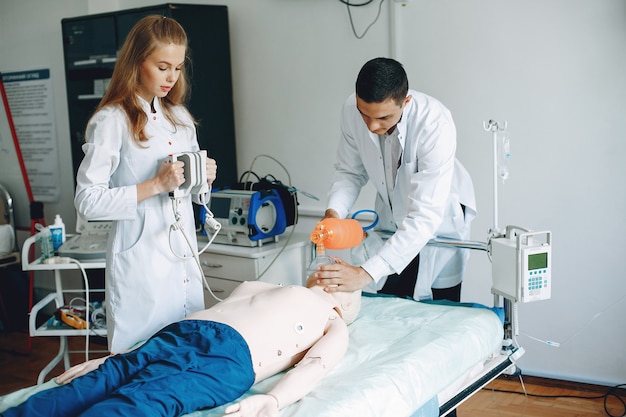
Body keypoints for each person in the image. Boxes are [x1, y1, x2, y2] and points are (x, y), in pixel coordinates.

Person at [1, 281, 361, 417]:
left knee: (140, 402)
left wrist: (273, 400)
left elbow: (315, 365)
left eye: (343, 278)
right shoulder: (269, 285)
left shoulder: (333, 320)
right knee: (94, 384)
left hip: (227, 357)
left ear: (347, 303)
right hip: (181, 333)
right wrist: (114, 358)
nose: (332, 272)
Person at [73, 15, 218, 353]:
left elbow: (195, 196)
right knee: (139, 357)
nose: (172, 77)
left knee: (187, 350)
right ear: (137, 63)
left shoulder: (180, 118)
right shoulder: (112, 120)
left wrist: (203, 177)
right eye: (163, 66)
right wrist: (154, 185)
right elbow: (88, 201)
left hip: (182, 255)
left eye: (178, 68)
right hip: (140, 262)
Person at [312, 57, 476, 302]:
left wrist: (364, 273)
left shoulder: (434, 123)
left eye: (383, 118)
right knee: (392, 302)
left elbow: (424, 215)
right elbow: (349, 171)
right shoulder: (351, 109)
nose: (371, 125)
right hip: (392, 222)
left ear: (405, 102)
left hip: (439, 225)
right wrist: (333, 213)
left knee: (441, 311)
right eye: (364, 115)